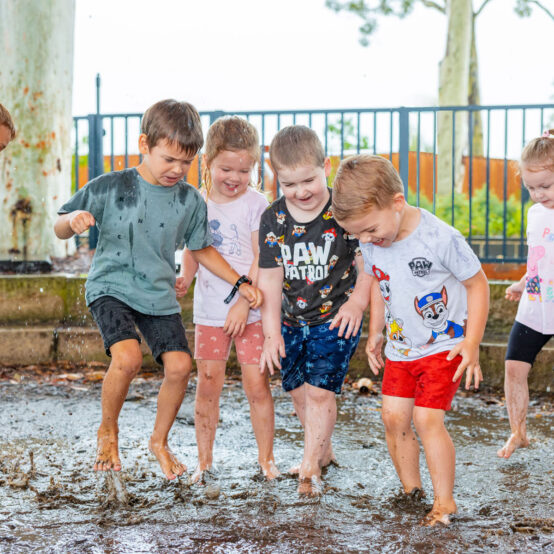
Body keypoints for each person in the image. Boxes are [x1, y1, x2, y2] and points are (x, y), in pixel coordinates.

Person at [54, 100, 262, 480]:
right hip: (111, 286)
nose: (177, 170)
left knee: (181, 366)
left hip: (158, 294)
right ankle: (108, 429)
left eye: (186, 162)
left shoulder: (188, 200)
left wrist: (239, 281)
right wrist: (73, 221)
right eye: (169, 159)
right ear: (144, 145)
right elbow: (59, 226)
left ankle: (159, 442)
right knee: (129, 358)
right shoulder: (112, 186)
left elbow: (201, 248)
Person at [332, 154, 489, 526]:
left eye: (370, 230)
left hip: (443, 344)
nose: (367, 240)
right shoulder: (371, 242)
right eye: (358, 236)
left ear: (397, 202)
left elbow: (477, 284)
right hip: (400, 349)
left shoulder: (440, 238)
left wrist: (472, 342)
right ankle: (411, 494)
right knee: (392, 416)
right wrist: (375, 332)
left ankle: (445, 503)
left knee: (426, 418)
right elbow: (376, 280)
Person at [258, 126, 372, 496]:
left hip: (336, 318)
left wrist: (357, 302)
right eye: (289, 184)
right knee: (299, 392)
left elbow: (368, 263)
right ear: (277, 178)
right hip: (291, 320)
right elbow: (271, 281)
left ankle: (310, 467)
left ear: (326, 165)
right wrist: (272, 333)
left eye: (309, 179)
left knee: (321, 392)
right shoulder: (273, 219)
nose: (301, 191)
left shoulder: (342, 210)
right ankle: (322, 451)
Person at [177, 116, 279, 482]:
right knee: (208, 381)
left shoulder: (256, 204)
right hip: (209, 311)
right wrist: (185, 277)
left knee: (257, 385)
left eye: (243, 170)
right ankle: (204, 462)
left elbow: (261, 256)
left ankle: (266, 460)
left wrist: (243, 301)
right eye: (225, 169)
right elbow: (195, 247)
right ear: (208, 163)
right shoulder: (199, 202)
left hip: (250, 310)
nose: (234, 178)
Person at [497, 130, 554, 459]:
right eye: (531, 188)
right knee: (514, 367)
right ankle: (518, 432)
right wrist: (523, 282)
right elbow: (540, 259)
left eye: (545, 186)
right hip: (535, 303)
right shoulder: (534, 214)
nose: (537, 194)